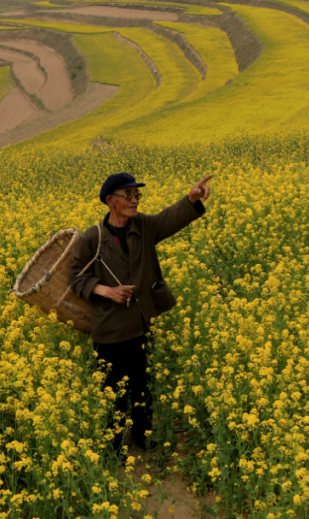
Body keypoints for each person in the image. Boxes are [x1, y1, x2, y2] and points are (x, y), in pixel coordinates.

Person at [70, 171, 213, 453]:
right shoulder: (92, 237)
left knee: (143, 387)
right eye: (129, 195)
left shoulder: (144, 226)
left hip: (140, 323)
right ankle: (114, 447)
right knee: (113, 393)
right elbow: (76, 278)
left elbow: (169, 218)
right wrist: (106, 290)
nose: (135, 200)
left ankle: (143, 438)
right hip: (110, 330)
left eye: (137, 195)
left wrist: (191, 198)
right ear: (111, 201)